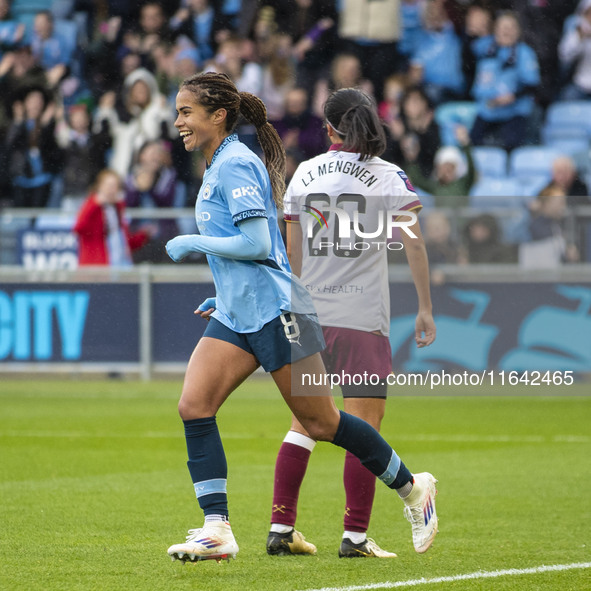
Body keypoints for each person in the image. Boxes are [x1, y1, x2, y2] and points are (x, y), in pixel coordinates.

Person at [163, 72, 439, 563]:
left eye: (186, 112)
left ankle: (412, 488)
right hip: (239, 313)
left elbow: (258, 244)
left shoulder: (236, 164)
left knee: (323, 422)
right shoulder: (217, 163)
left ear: (218, 115)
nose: (178, 121)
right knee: (194, 405)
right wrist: (223, 294)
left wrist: (193, 242)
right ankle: (217, 529)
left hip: (277, 314)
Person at [268, 87, 437, 558]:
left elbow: (292, 250)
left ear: (328, 129)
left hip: (310, 315)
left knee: (306, 419)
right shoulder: (387, 176)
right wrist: (425, 306)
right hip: (361, 317)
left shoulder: (305, 172)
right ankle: (355, 537)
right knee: (364, 421)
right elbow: (414, 244)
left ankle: (281, 528)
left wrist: (294, 306)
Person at [73, 169, 152, 266]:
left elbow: (125, 242)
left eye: (115, 186)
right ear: (99, 186)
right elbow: (79, 228)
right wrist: (95, 203)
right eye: (109, 185)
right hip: (97, 266)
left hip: (119, 264)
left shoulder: (118, 208)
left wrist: (143, 235)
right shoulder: (92, 205)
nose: (111, 190)